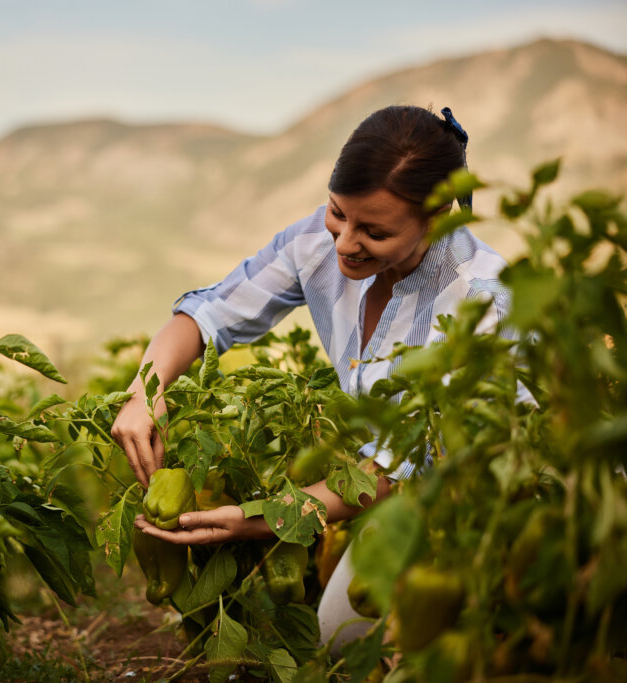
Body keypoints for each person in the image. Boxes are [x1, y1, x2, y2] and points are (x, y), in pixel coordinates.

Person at [110, 105, 509, 649]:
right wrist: (145, 393)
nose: (344, 242)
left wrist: (262, 519)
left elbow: (407, 465)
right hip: (396, 496)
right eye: (336, 212)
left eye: (374, 230)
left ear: (438, 220)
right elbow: (208, 315)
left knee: (439, 650)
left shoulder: (480, 303)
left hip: (487, 503)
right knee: (339, 640)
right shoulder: (319, 246)